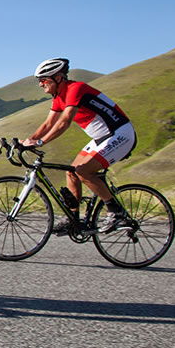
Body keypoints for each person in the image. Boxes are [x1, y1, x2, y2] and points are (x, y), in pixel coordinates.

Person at [21, 58, 137, 234]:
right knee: (72, 172)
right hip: (102, 137)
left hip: (120, 133)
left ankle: (117, 212)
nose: (40, 84)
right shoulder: (59, 97)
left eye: (43, 80)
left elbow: (64, 122)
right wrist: (27, 141)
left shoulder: (76, 89)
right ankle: (73, 219)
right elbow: (48, 124)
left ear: (59, 78)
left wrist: (40, 142)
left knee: (83, 171)